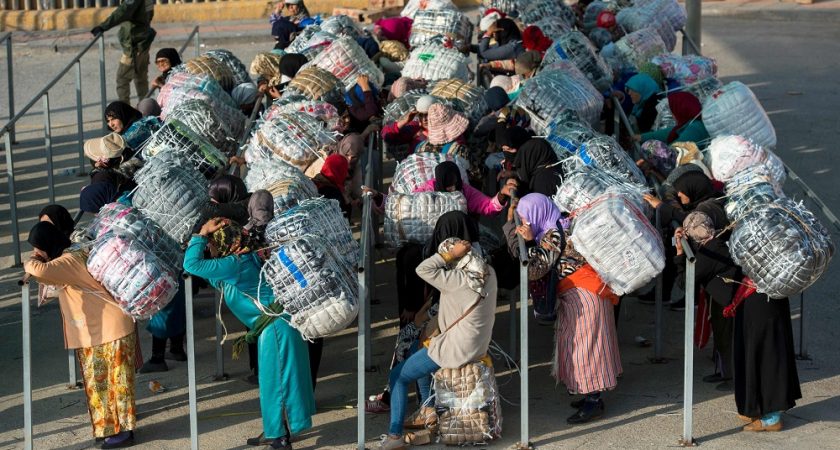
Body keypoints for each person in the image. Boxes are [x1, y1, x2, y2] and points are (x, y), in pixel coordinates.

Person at [184, 218, 315, 450]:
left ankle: (280, 439)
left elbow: (191, 265)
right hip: (280, 325)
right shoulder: (243, 257)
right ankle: (278, 430)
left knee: (276, 385)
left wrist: (201, 234)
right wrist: (200, 241)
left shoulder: (233, 264)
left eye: (212, 244)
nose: (210, 249)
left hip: (275, 329)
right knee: (282, 380)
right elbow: (213, 277)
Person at [674, 212, 801, 431]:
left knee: (763, 358)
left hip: (757, 306)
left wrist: (678, 253)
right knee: (755, 356)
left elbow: (684, 282)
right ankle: (755, 408)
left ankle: (771, 418)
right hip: (761, 301)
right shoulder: (720, 244)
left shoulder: (709, 254)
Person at [25, 222, 138, 449]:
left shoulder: (69, 260)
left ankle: (124, 431)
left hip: (110, 327)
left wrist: (31, 260)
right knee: (99, 385)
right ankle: (108, 429)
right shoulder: (74, 253)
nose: (37, 252)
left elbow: (39, 270)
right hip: (98, 329)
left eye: (38, 247)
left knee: (117, 384)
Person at [378, 238, 498, 450]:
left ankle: (395, 435)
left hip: (456, 348)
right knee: (418, 347)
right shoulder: (489, 273)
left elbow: (423, 269)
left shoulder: (458, 279)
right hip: (477, 343)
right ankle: (428, 408)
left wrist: (448, 254)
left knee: (397, 376)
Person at [91, 0, 156, 104]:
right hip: (143, 41)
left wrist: (103, 26)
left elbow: (123, 11)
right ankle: (146, 110)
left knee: (122, 79)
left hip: (134, 45)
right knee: (141, 78)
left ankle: (126, 114)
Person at [413, 161, 515, 217]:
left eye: (455, 184)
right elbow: (412, 204)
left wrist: (502, 194)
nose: (453, 189)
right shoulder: (427, 190)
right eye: (448, 186)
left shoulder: (465, 191)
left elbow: (488, 205)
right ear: (440, 182)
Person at [640, 92, 709, 145]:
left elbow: (671, 153)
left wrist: (649, 148)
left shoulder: (694, 130)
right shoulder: (689, 122)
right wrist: (641, 137)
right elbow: (666, 133)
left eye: (672, 110)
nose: (673, 116)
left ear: (680, 110)